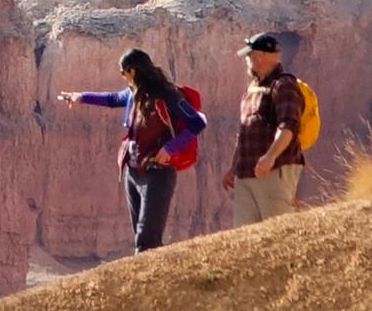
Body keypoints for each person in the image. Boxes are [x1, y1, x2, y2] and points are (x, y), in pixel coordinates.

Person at [57, 47, 206, 253]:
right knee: (141, 237)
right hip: (133, 173)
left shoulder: (167, 95)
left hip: (158, 173)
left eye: (122, 71)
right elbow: (110, 99)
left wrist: (170, 148)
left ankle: (155, 280)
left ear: (133, 71)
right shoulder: (132, 94)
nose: (121, 76)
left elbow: (198, 122)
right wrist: (80, 97)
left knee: (147, 241)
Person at [223, 31, 305, 224]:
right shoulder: (251, 89)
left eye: (249, 55)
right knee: (244, 235)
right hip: (245, 173)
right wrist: (234, 167)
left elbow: (288, 126)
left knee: (277, 231)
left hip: (274, 170)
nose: (247, 60)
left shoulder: (284, 85)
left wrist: (270, 157)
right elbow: (244, 132)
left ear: (261, 55)